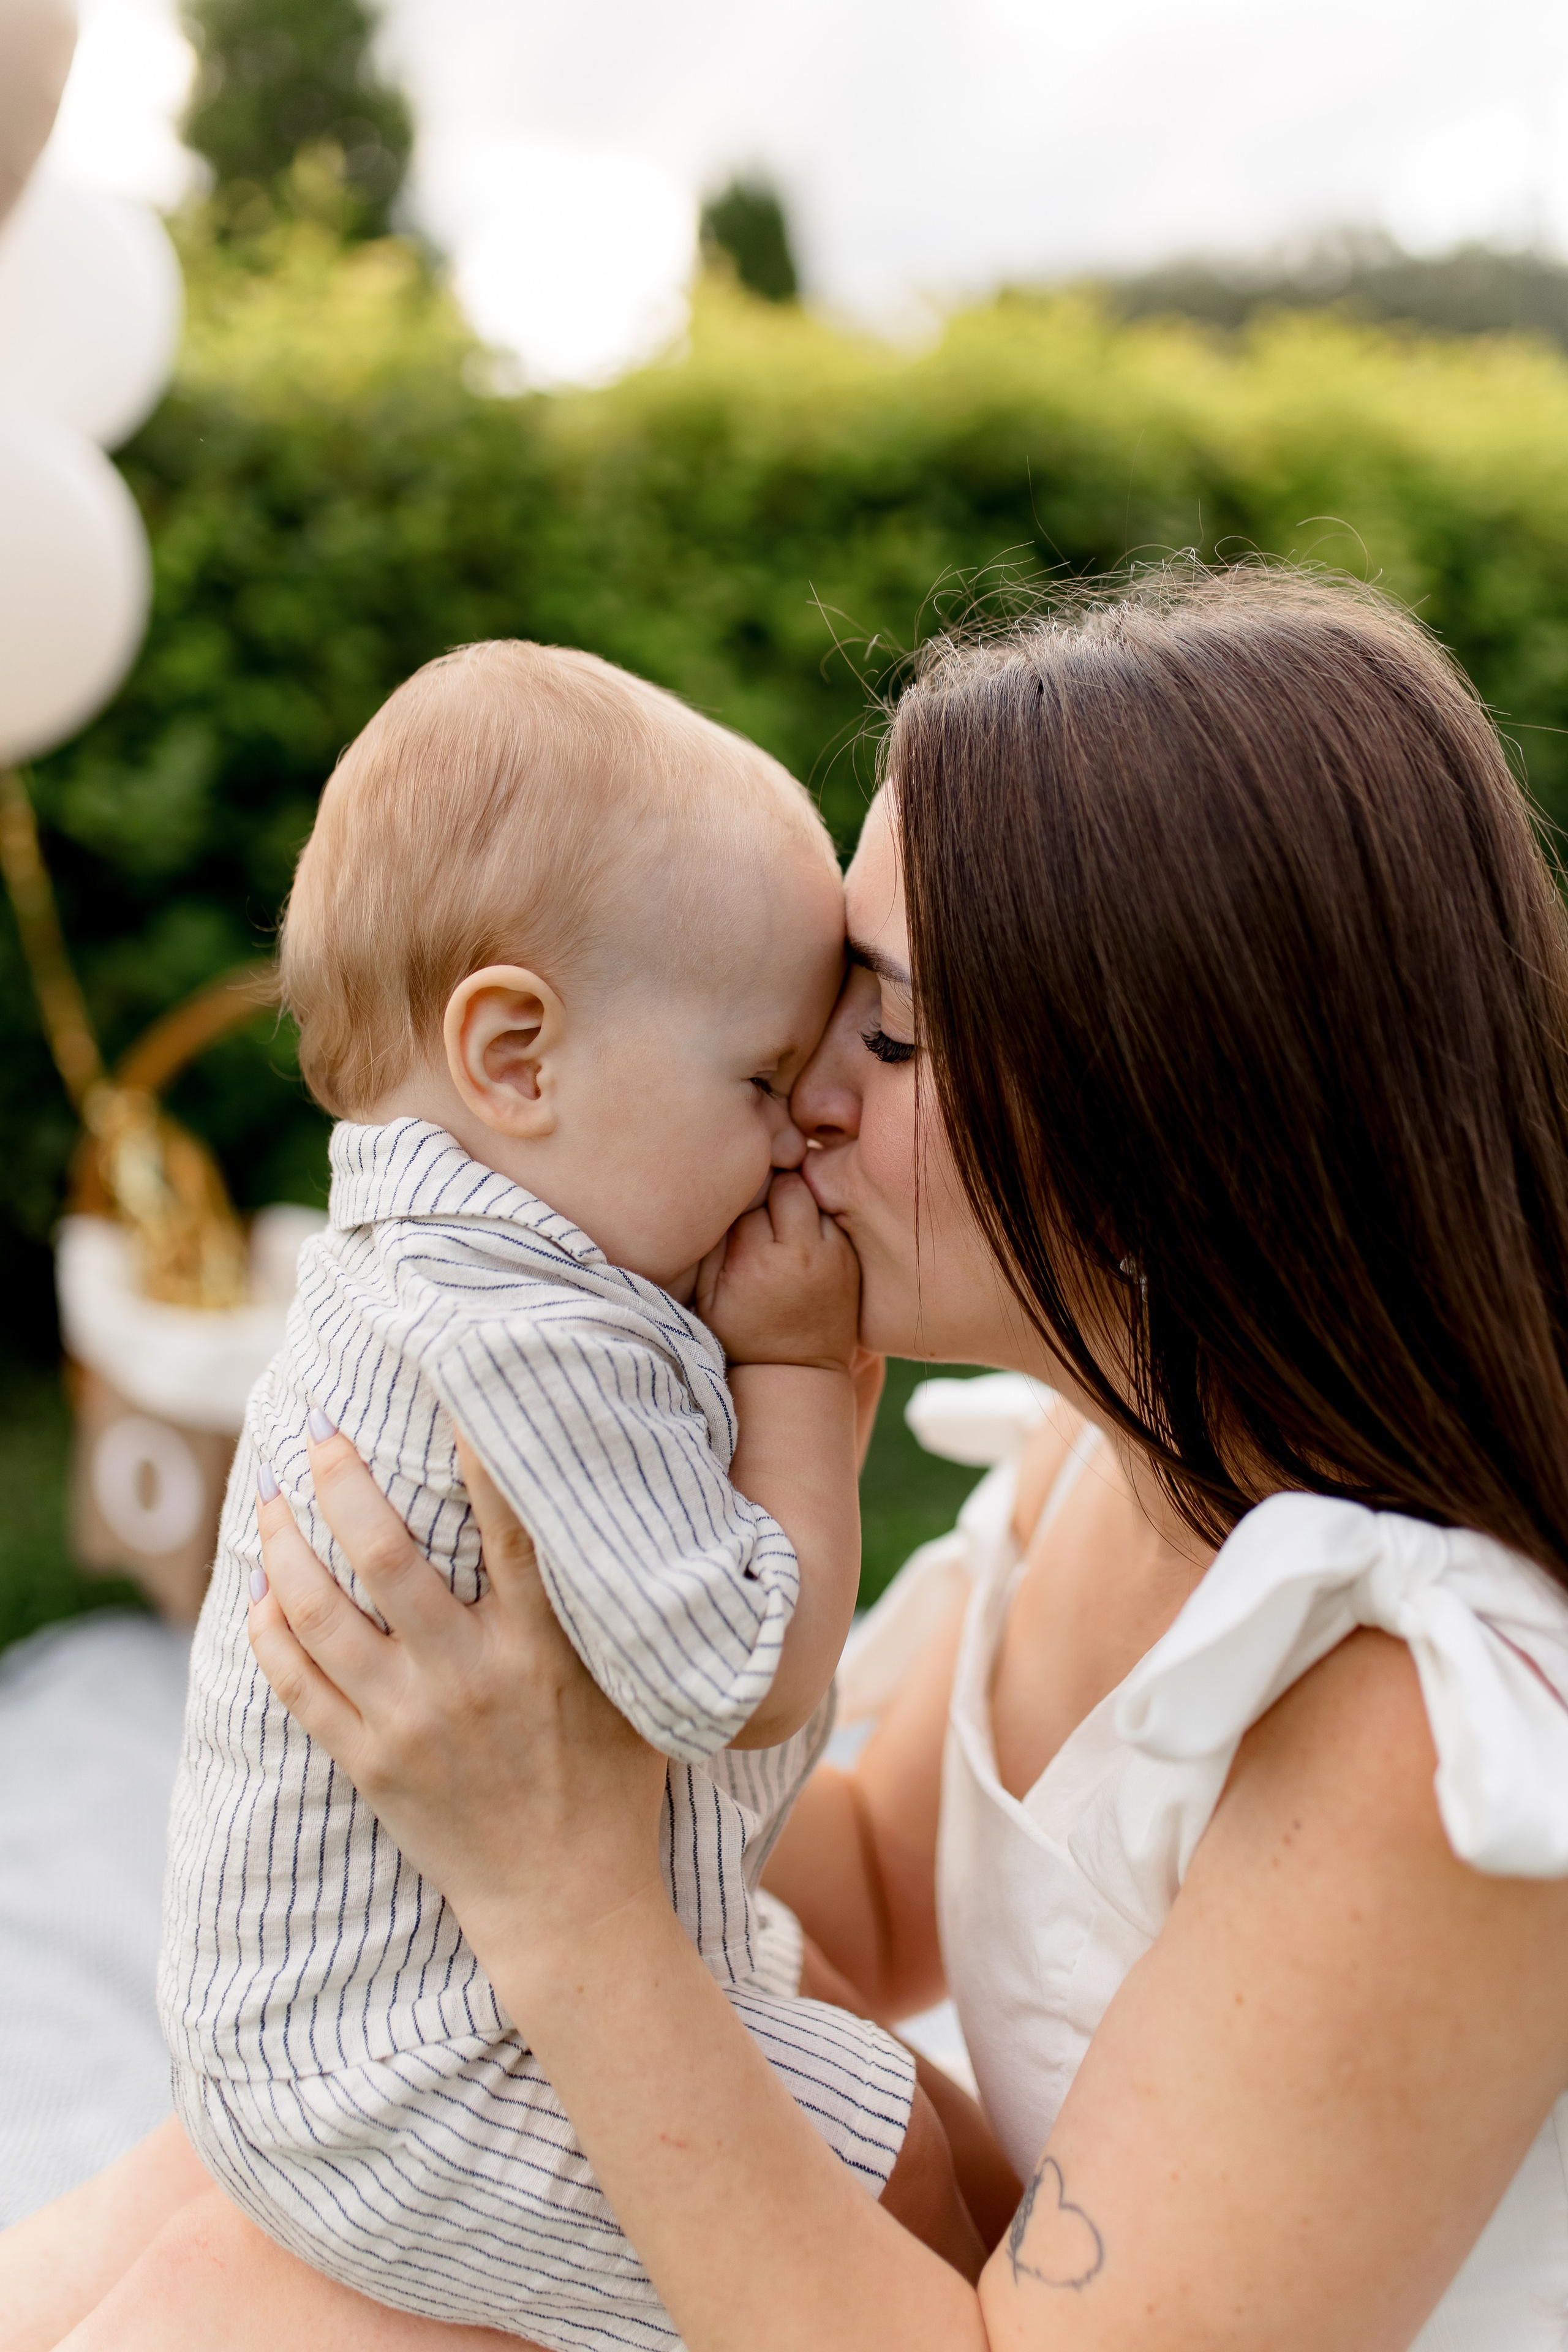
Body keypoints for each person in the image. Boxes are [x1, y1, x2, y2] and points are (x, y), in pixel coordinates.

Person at [12, 562, 1568, 2350]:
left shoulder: (1425, 1725)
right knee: (256, 2190)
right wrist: (435, 1805)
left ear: (1168, 1098)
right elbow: (887, 1887)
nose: (802, 1094)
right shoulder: (1107, 1469)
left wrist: (564, 1893)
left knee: (262, 2284)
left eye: (884, 1028)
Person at [154, 641, 978, 2346]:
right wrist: (792, 1381)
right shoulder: (526, 1326)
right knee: (900, 2179)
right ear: (519, 1058)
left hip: (444, 1995)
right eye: (762, 1080)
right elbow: (738, 1675)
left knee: (926, 2135)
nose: (797, 1133)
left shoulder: (467, 1253)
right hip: (409, 2071)